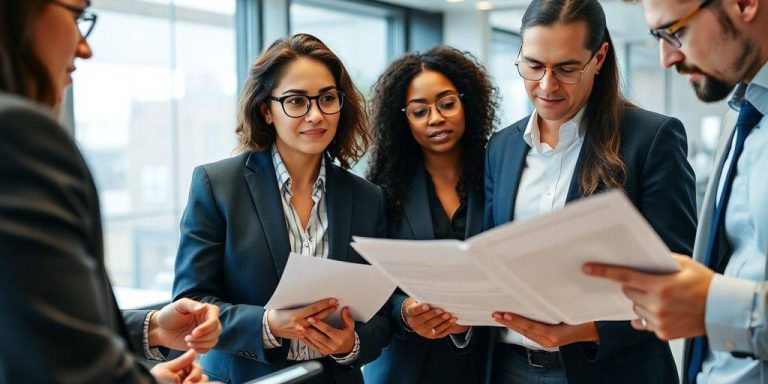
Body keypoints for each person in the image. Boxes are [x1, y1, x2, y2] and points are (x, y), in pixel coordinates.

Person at [0, 0, 222, 382]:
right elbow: (72, 371)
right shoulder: (17, 135)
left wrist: (151, 328)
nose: (84, 48)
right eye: (76, 15)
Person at [483, 0, 698, 382]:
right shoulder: (501, 147)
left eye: (567, 69)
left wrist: (588, 328)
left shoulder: (651, 139)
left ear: (599, 57)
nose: (547, 86)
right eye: (533, 66)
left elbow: (679, 277)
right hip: (510, 367)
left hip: (614, 369)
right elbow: (485, 254)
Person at [171, 33, 391, 384]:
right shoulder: (218, 185)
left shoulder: (367, 197)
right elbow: (190, 302)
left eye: (327, 98)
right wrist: (268, 324)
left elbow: (382, 314)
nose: (315, 115)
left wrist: (352, 343)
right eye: (296, 101)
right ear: (266, 110)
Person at [584, 0, 768, 382]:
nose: (667, 58)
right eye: (658, 38)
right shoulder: (742, 111)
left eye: (676, 32)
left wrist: (716, 304)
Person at [363, 46, 498, 384]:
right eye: (419, 111)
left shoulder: (499, 173)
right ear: (403, 119)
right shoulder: (382, 191)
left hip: (490, 363)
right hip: (409, 367)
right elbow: (371, 282)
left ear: (467, 102)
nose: (436, 118)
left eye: (447, 104)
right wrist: (406, 310)